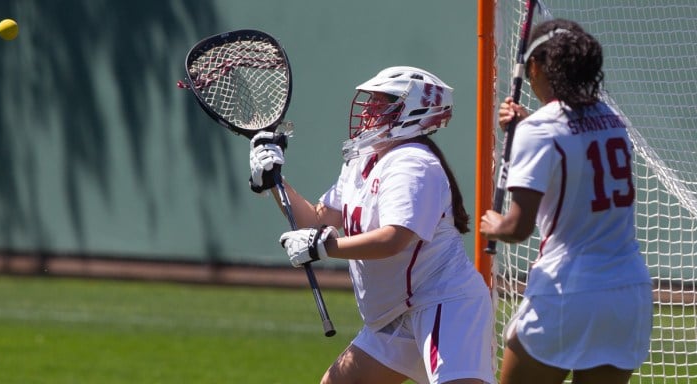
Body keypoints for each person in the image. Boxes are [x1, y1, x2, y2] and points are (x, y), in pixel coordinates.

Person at [249, 66, 495, 384]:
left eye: (382, 101)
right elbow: (317, 218)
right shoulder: (362, 160)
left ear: (415, 110)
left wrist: (326, 246)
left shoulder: (413, 163)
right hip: (396, 313)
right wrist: (275, 181)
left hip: (443, 303)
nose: (368, 108)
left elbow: (394, 238)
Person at [479, 19, 653, 384]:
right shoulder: (613, 121)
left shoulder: (538, 131)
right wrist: (530, 123)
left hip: (567, 292)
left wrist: (492, 224)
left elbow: (517, 227)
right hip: (627, 294)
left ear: (538, 67)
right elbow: (575, 145)